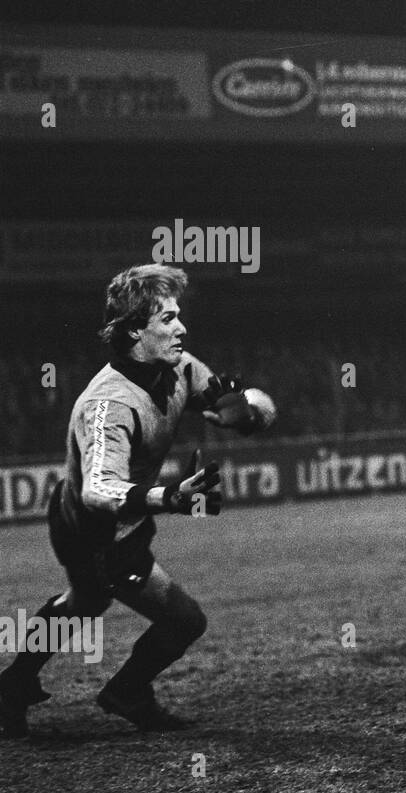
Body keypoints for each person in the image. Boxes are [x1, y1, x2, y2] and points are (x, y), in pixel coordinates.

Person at [0, 264, 276, 738]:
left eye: (178, 316)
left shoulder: (179, 366)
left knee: (84, 602)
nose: (181, 327)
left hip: (95, 519)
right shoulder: (108, 406)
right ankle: (125, 692)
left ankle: (13, 686)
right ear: (132, 332)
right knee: (184, 620)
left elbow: (216, 400)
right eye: (167, 319)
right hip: (95, 529)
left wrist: (240, 414)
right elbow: (99, 490)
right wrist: (170, 496)